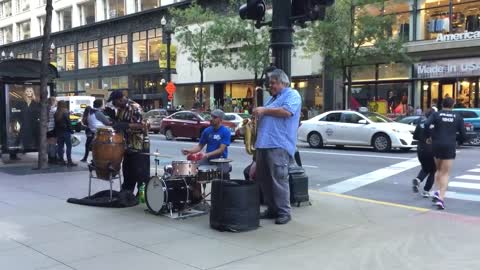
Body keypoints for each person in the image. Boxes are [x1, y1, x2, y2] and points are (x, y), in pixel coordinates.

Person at [253, 69, 302, 225]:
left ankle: (284, 212)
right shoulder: (273, 99)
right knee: (264, 179)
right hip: (264, 144)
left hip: (278, 144)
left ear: (283, 82)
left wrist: (264, 110)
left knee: (278, 180)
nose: (270, 86)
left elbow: (287, 112)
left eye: (273, 83)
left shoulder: (292, 94)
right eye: (270, 83)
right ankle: (272, 209)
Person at [424, 97, 467, 210]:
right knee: (445, 173)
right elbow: (463, 133)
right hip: (449, 145)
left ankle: (436, 192)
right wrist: (459, 141)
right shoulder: (458, 117)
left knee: (438, 170)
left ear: (442, 104)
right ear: (453, 105)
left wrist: (429, 137)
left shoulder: (436, 114)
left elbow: (426, 124)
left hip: (436, 145)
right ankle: (441, 199)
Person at [108, 90, 150, 194]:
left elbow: (142, 125)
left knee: (141, 174)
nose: (113, 104)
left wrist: (125, 125)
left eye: (114, 101)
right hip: (127, 147)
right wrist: (113, 119)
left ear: (120, 99)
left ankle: (142, 196)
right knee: (128, 173)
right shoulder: (121, 109)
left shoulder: (134, 107)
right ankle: (127, 194)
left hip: (139, 147)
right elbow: (119, 125)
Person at [181, 109, 231, 175]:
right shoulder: (207, 131)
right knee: (193, 169)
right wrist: (189, 151)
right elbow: (199, 146)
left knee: (221, 177)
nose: (211, 119)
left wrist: (207, 154)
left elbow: (221, 150)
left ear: (220, 120)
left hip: (221, 161)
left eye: (214, 117)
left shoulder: (225, 131)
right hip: (208, 159)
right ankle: (196, 185)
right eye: (211, 116)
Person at [412, 108, 437, 197]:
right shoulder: (436, 125)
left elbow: (415, 137)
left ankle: (418, 180)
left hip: (421, 149)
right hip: (432, 150)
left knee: (426, 168)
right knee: (433, 171)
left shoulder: (420, 123)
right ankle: (426, 191)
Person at [18, 86, 41, 151]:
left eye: (30, 91)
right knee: (20, 137)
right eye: (27, 91)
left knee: (35, 137)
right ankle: (15, 152)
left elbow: (38, 113)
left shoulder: (35, 103)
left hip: (34, 124)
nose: (29, 92)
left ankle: (35, 148)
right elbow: (18, 113)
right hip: (24, 123)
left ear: (32, 93)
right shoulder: (21, 103)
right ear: (25, 92)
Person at [55, 101, 77, 166]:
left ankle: (61, 160)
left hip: (59, 132)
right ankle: (69, 161)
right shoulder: (65, 112)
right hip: (66, 132)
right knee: (68, 147)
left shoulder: (56, 113)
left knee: (60, 147)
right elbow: (68, 123)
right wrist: (71, 131)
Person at [47, 97, 57, 164]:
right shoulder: (54, 109)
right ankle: (53, 158)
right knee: (53, 144)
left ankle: (50, 157)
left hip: (48, 128)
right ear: (54, 101)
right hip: (53, 128)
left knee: (50, 144)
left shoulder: (46, 109)